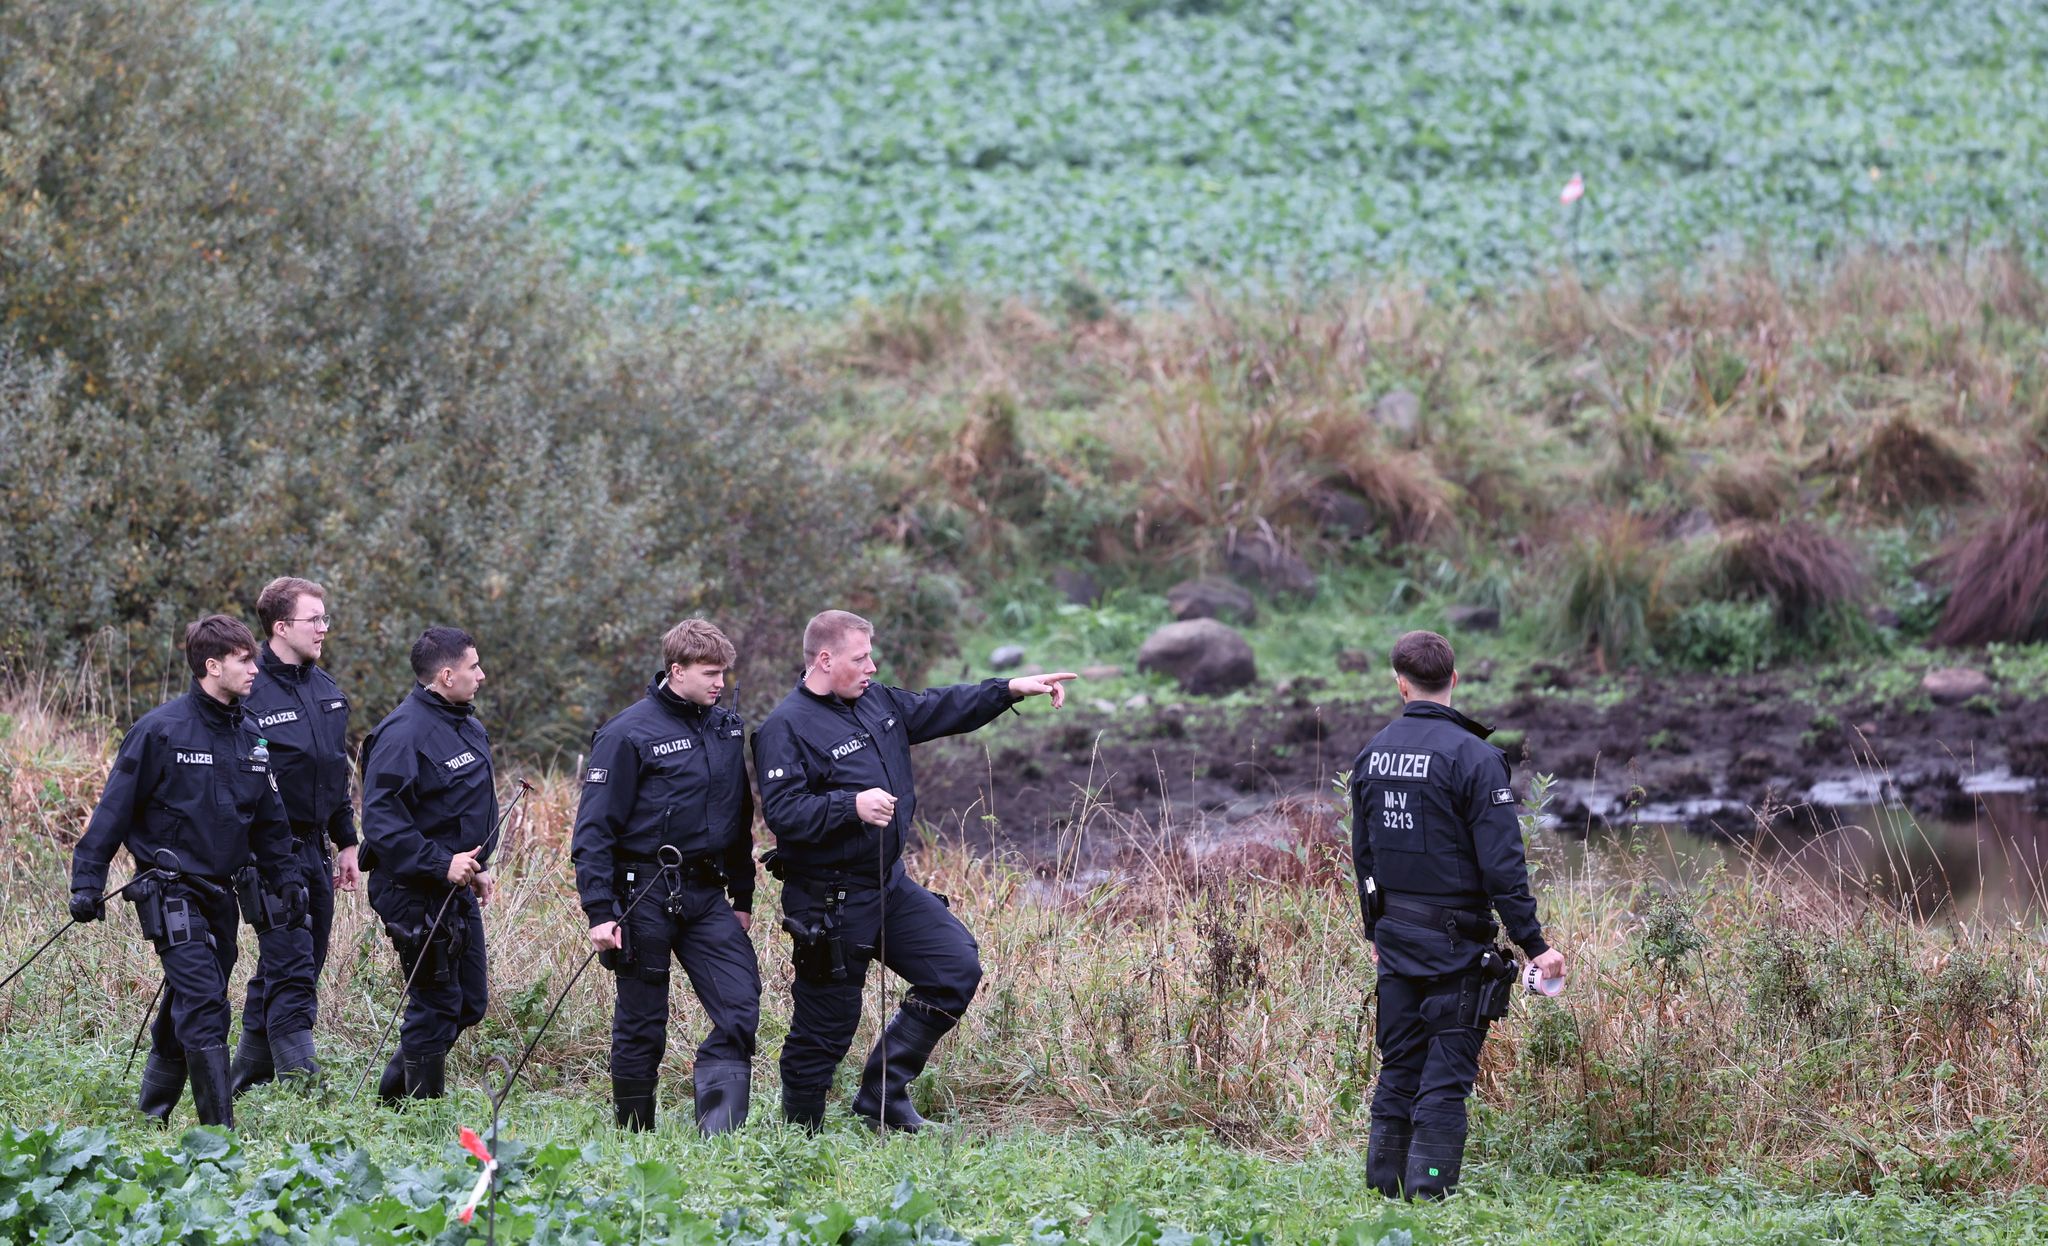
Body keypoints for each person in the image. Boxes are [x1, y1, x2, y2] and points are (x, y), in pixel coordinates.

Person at [751, 609, 1075, 1132]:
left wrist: (1010, 689)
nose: (872, 667)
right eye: (861, 658)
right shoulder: (784, 728)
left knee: (954, 969)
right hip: (828, 900)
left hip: (887, 886)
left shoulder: (875, 701)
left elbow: (939, 706)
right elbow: (784, 813)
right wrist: (851, 805)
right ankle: (799, 1134)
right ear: (825, 659)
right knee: (826, 1025)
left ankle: (882, 1097)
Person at [1351, 630, 1568, 1200]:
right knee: (1445, 1081)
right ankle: (1429, 1196)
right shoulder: (1475, 757)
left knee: (1399, 1068)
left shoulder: (1372, 754)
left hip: (1396, 941)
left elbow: (1364, 857)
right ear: (1455, 678)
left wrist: (1375, 930)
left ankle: (1383, 1192)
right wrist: (1535, 945)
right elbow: (1502, 866)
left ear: (1400, 684)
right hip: (1456, 948)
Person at [67, 615, 295, 1128]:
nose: (255, 669)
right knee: (205, 999)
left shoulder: (253, 737)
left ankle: (152, 1115)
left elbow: (269, 823)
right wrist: (87, 882)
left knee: (191, 996)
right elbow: (113, 812)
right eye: (244, 660)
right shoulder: (159, 731)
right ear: (212, 666)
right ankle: (220, 1135)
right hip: (169, 890)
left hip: (223, 895)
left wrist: (288, 881)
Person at [572, 619, 760, 1134]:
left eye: (723, 673)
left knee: (740, 1002)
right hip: (642, 892)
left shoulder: (725, 729)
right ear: (676, 671)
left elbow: (737, 815)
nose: (720, 682)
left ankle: (718, 1131)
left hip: (706, 891)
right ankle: (635, 1133)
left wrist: (742, 895)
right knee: (642, 1020)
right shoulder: (626, 733)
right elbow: (593, 830)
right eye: (709, 673)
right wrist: (600, 910)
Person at [230, 576, 358, 1094]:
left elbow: (335, 773)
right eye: (315, 619)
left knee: (303, 960)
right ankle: (302, 1086)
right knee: (291, 963)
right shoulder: (249, 692)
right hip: (267, 854)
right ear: (281, 627)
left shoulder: (328, 692)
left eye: (326, 618)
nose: (324, 628)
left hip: (315, 848)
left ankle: (246, 1077)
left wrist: (347, 840)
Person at [359, 627, 497, 1102]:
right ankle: (417, 1113)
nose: (481, 675)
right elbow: (381, 823)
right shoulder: (402, 734)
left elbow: (459, 808)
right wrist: (441, 863)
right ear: (446, 675)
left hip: (453, 887)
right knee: (435, 1004)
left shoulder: (465, 724)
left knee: (469, 1002)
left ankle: (394, 1098)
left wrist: (476, 866)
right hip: (412, 890)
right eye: (473, 666)